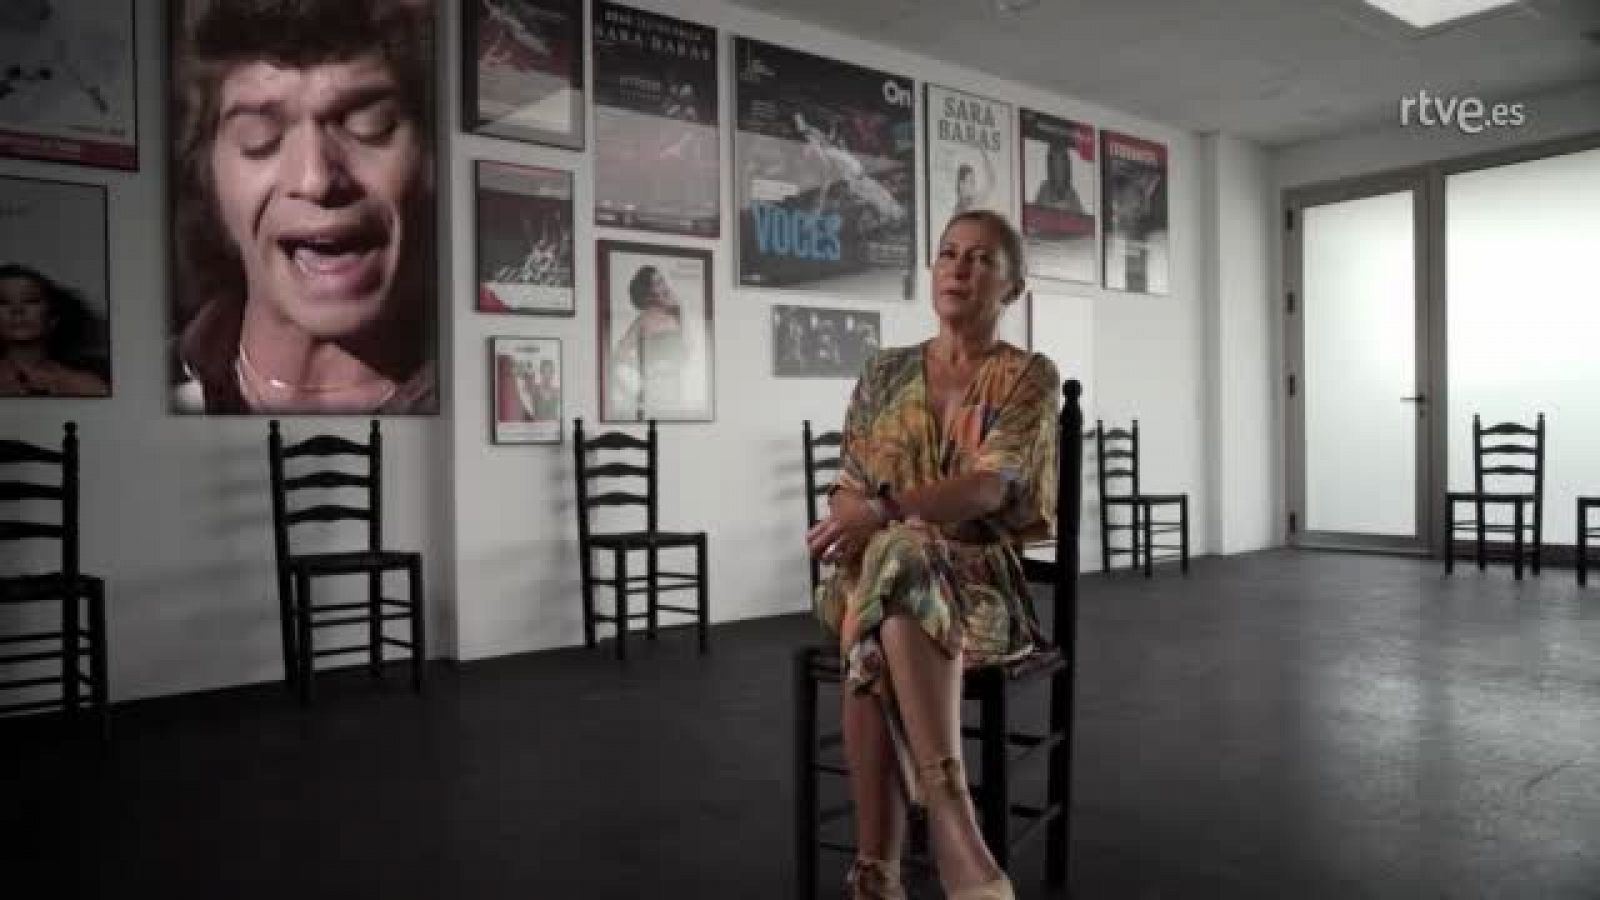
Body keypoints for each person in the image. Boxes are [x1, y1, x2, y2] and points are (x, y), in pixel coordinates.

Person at [806, 210, 1059, 900]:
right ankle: (951, 819)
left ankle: (877, 870)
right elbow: (844, 491)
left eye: (981, 259)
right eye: (949, 253)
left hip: (977, 587)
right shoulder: (883, 372)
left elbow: (986, 488)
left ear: (1013, 287)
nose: (958, 268)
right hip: (871, 578)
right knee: (894, 563)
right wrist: (859, 518)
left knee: (885, 601)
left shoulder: (1027, 376)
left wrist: (884, 514)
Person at [170, 0, 436, 414]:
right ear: (207, 183)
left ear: (433, 164)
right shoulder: (152, 385)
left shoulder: (477, 394)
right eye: (259, 137)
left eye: (371, 124)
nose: (315, 178)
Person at [0, 263, 109, 397]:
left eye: (31, 300)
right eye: (3, 302)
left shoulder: (86, 385)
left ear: (53, 317)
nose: (17, 310)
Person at [609, 263, 687, 417]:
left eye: (662, 280)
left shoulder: (676, 316)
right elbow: (618, 354)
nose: (664, 286)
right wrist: (642, 367)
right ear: (649, 292)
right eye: (657, 283)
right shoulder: (644, 320)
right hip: (653, 397)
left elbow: (686, 353)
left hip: (675, 396)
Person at [1034, 141, 1084, 214]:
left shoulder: (1072, 194)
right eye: (1055, 161)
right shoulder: (1044, 190)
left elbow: (1080, 219)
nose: (1058, 167)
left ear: (1066, 165)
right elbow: (1037, 216)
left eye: (1062, 161)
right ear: (1051, 166)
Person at [531, 357, 559, 421]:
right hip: (538, 427)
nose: (547, 376)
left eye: (550, 372)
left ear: (553, 373)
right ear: (541, 373)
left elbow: (557, 415)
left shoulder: (557, 392)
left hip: (553, 428)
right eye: (545, 372)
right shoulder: (535, 389)